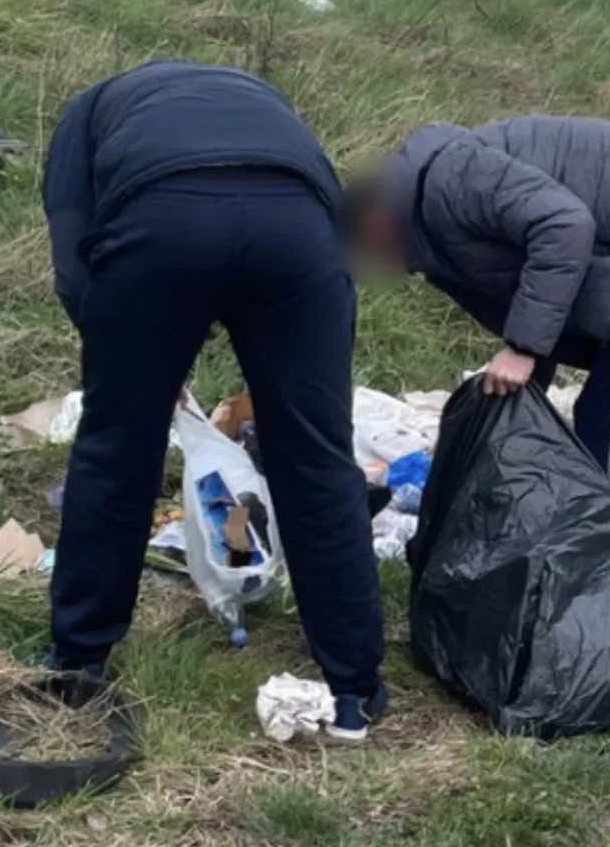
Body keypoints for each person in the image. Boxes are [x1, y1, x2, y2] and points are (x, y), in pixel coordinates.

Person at [42, 62, 386, 740]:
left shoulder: (86, 113)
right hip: (298, 234)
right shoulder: (269, 100)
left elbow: (72, 259)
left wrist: (135, 359)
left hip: (161, 221)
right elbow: (331, 216)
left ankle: (79, 661)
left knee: (119, 448)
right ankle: (354, 691)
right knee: (315, 458)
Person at [349, 116, 610, 528]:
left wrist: (523, 348)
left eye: (369, 254)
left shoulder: (450, 178)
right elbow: (538, 285)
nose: (380, 268)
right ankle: (609, 571)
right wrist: (525, 382)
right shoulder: (433, 216)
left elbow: (565, 226)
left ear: (376, 219)